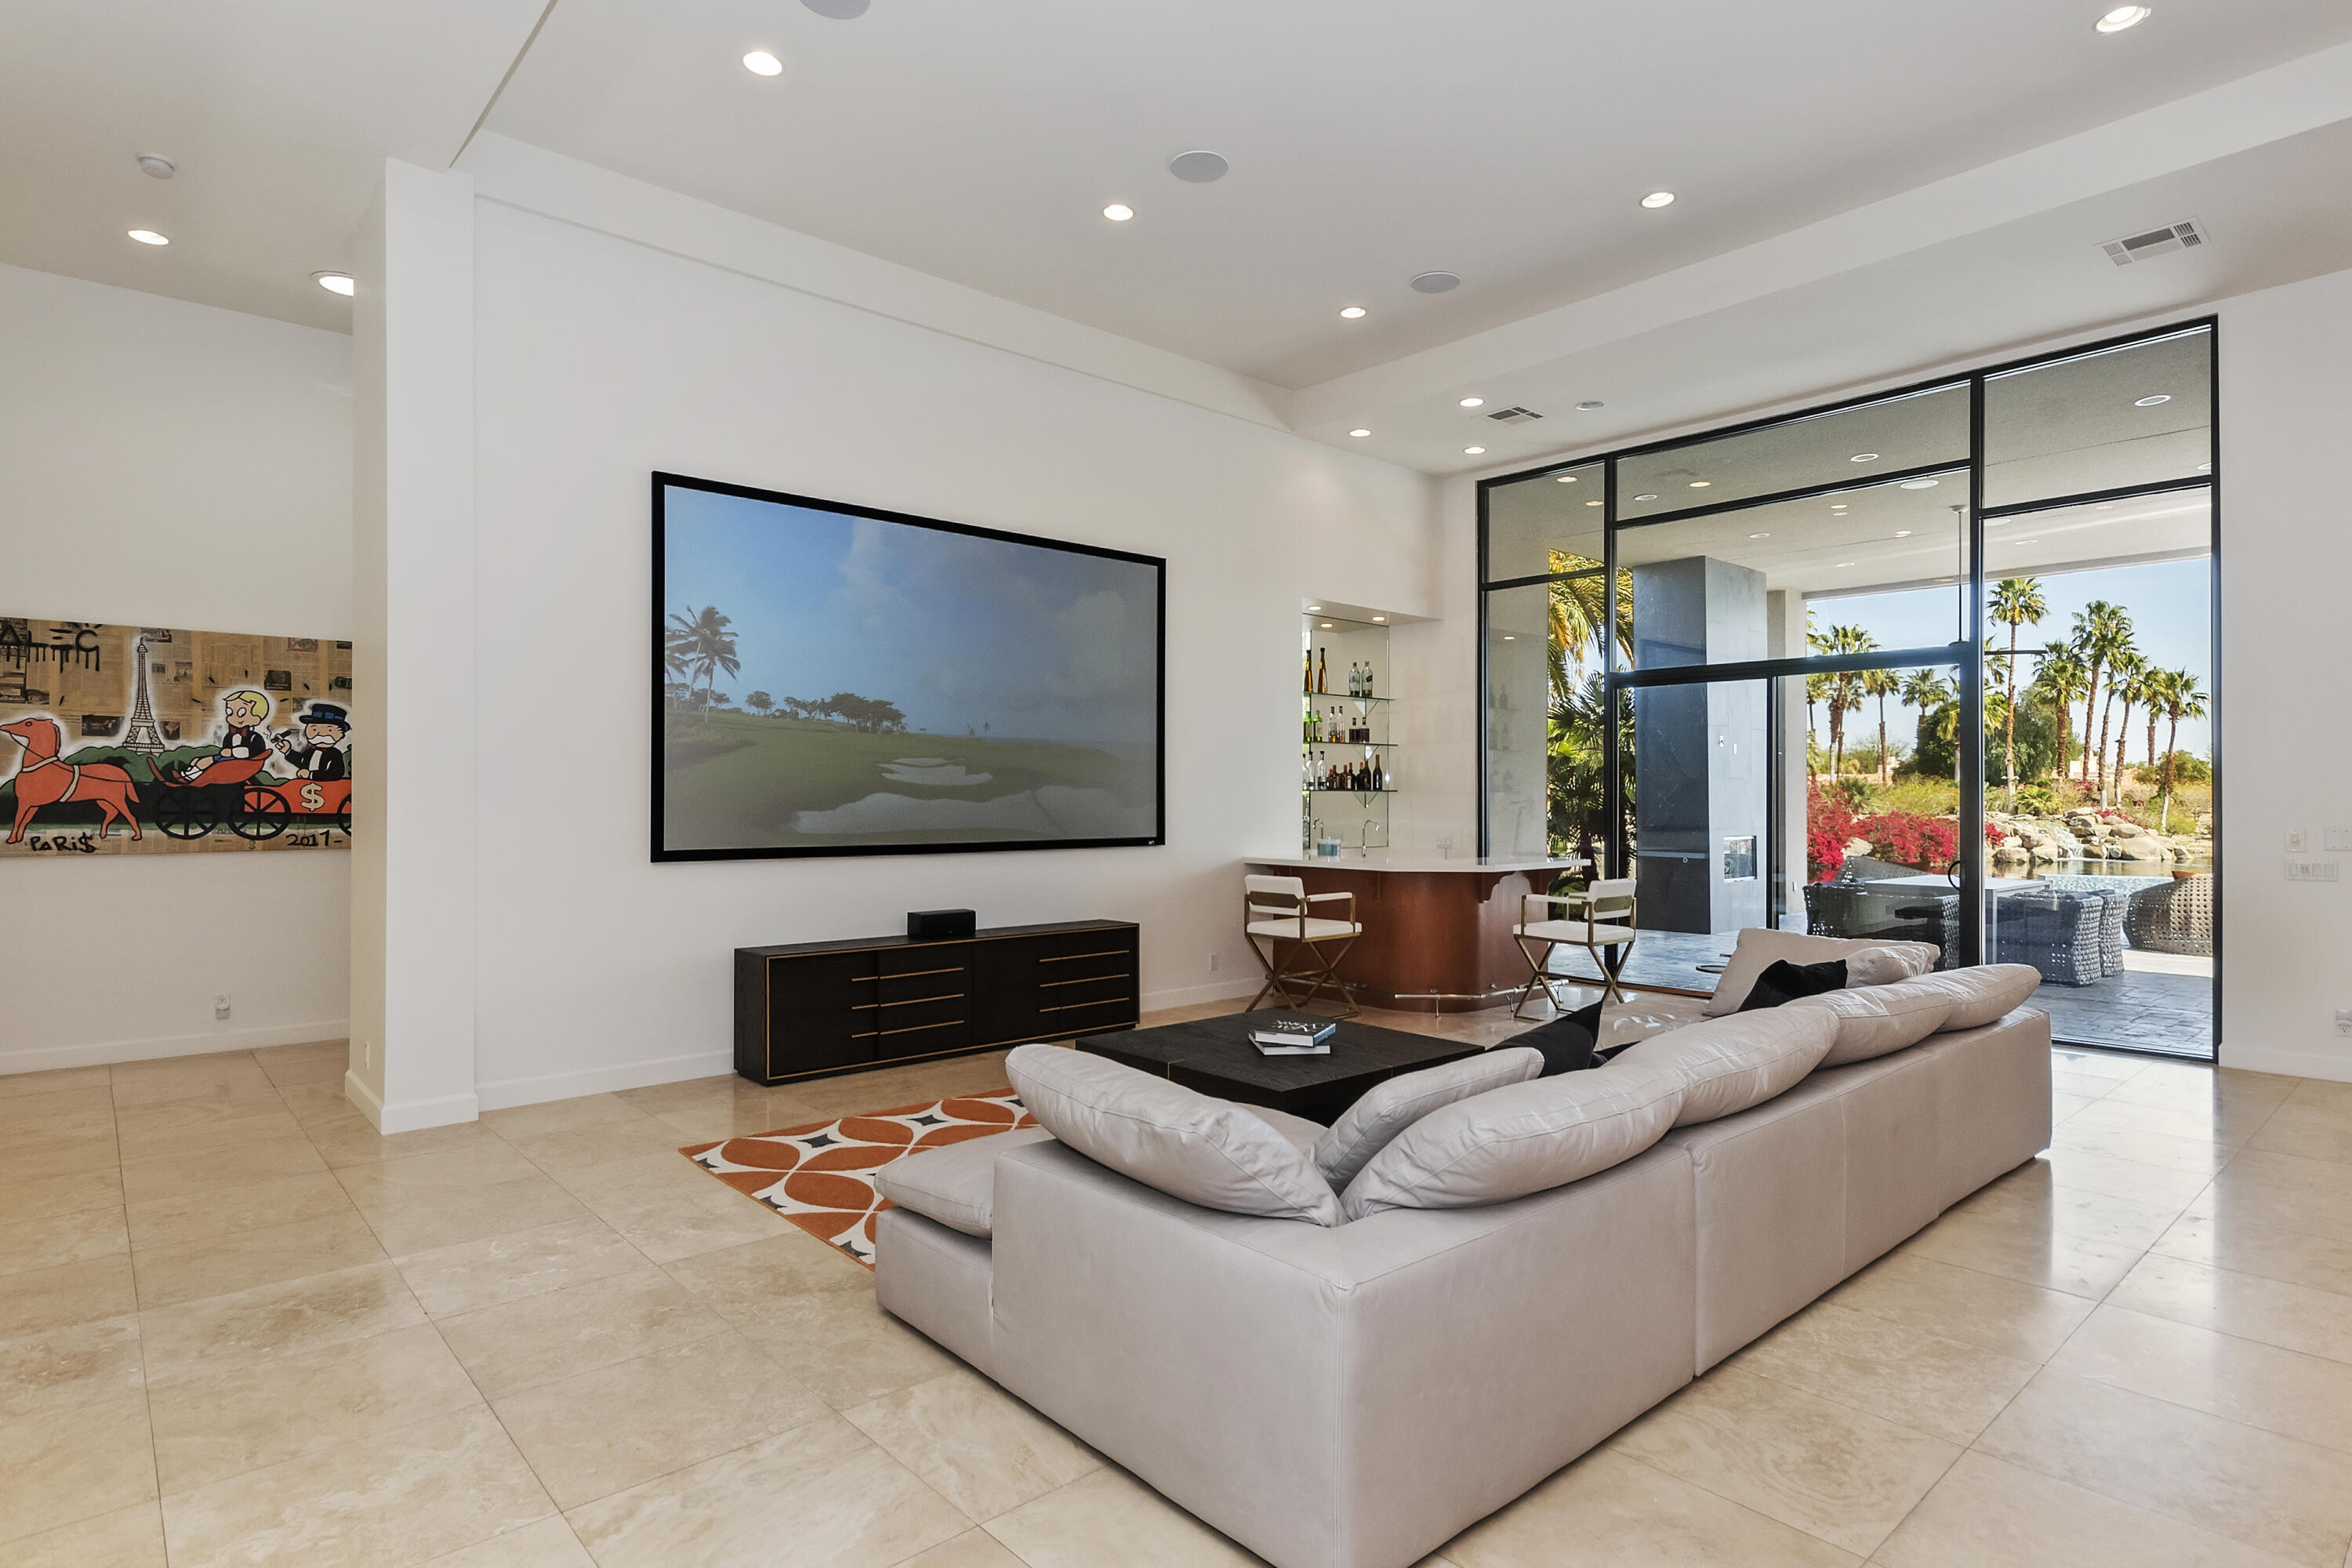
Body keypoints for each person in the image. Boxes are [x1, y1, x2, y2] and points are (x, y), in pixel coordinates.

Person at [176, 690, 272, 782]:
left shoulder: (254, 737)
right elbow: (225, 749)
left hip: (243, 764)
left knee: (207, 761)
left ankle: (192, 776)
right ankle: (190, 773)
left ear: (256, 719)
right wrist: (226, 753)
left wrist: (232, 752)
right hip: (229, 761)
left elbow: (255, 752)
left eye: (241, 713)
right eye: (230, 712)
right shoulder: (229, 736)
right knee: (196, 760)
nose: (232, 717)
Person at [274, 703, 349, 781]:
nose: (321, 734)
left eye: (330, 730)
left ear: (341, 735)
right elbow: (301, 761)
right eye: (314, 730)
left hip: (327, 788)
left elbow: (336, 773)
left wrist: (311, 775)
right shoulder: (309, 751)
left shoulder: (335, 754)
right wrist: (288, 751)